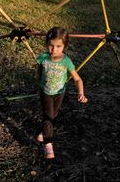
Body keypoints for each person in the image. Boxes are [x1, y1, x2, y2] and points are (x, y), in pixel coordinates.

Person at [35, 27, 88, 160]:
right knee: (48, 116)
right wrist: (40, 85)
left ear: (65, 46)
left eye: (58, 46)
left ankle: (45, 131)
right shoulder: (43, 58)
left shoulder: (66, 61)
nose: (54, 50)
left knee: (53, 115)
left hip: (59, 93)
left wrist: (81, 93)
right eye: (51, 46)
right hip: (46, 92)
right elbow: (39, 73)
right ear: (47, 44)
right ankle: (48, 144)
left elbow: (77, 79)